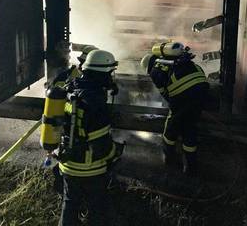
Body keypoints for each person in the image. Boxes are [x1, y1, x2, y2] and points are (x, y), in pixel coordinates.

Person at [53, 49, 123, 226]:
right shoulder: (96, 102)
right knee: (97, 206)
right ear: (102, 74)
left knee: (70, 203)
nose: (111, 76)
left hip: (67, 162)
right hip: (90, 168)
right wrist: (115, 153)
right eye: (109, 73)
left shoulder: (70, 88)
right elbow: (100, 143)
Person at [140, 42, 208, 176]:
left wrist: (175, 108)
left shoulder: (155, 71)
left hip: (185, 93)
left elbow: (166, 95)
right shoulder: (173, 61)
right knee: (189, 127)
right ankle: (191, 166)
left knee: (171, 128)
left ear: (148, 66)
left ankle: (169, 158)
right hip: (202, 86)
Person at [45, 44, 98, 195]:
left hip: (64, 129)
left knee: (64, 161)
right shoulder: (87, 82)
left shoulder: (67, 75)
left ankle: (63, 191)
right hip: (70, 131)